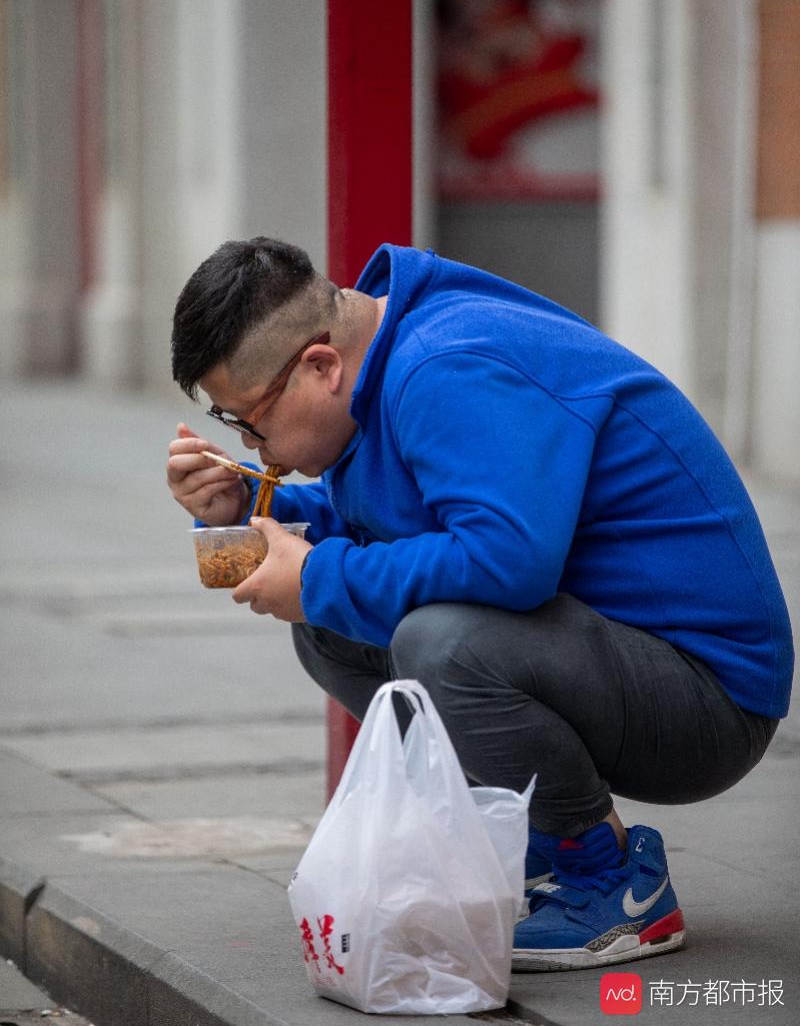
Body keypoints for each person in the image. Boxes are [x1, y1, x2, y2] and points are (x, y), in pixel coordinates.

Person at [167, 236, 793, 973]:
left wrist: (316, 576)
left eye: (251, 421)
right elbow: (407, 525)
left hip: (706, 699)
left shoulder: (449, 365)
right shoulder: (388, 359)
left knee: (443, 640)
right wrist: (247, 503)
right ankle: (528, 847)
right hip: (610, 654)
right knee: (330, 628)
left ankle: (608, 881)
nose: (252, 444)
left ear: (320, 366)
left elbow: (506, 564)